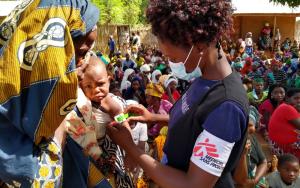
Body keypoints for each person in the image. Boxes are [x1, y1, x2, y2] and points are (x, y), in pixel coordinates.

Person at [106, 1, 249, 187]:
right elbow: (195, 123)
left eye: (173, 58)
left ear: (198, 45)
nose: (171, 63)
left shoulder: (226, 107)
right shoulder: (205, 77)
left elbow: (193, 184)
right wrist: (154, 117)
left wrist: (130, 147)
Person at [0, 0, 99, 186]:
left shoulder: (61, 106)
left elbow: (90, 149)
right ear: (50, 53)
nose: (82, 63)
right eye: (79, 53)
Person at [234, 106, 268, 188]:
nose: (245, 129)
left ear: (255, 126)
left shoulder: (252, 138)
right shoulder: (231, 143)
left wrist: (255, 181)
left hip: (254, 179)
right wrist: (243, 153)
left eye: (250, 125)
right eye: (242, 124)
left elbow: (263, 162)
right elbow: (240, 181)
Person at [268, 88, 300, 158]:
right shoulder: (287, 108)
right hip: (282, 148)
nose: (299, 101)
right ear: (287, 98)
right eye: (296, 98)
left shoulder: (287, 106)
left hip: (279, 145)